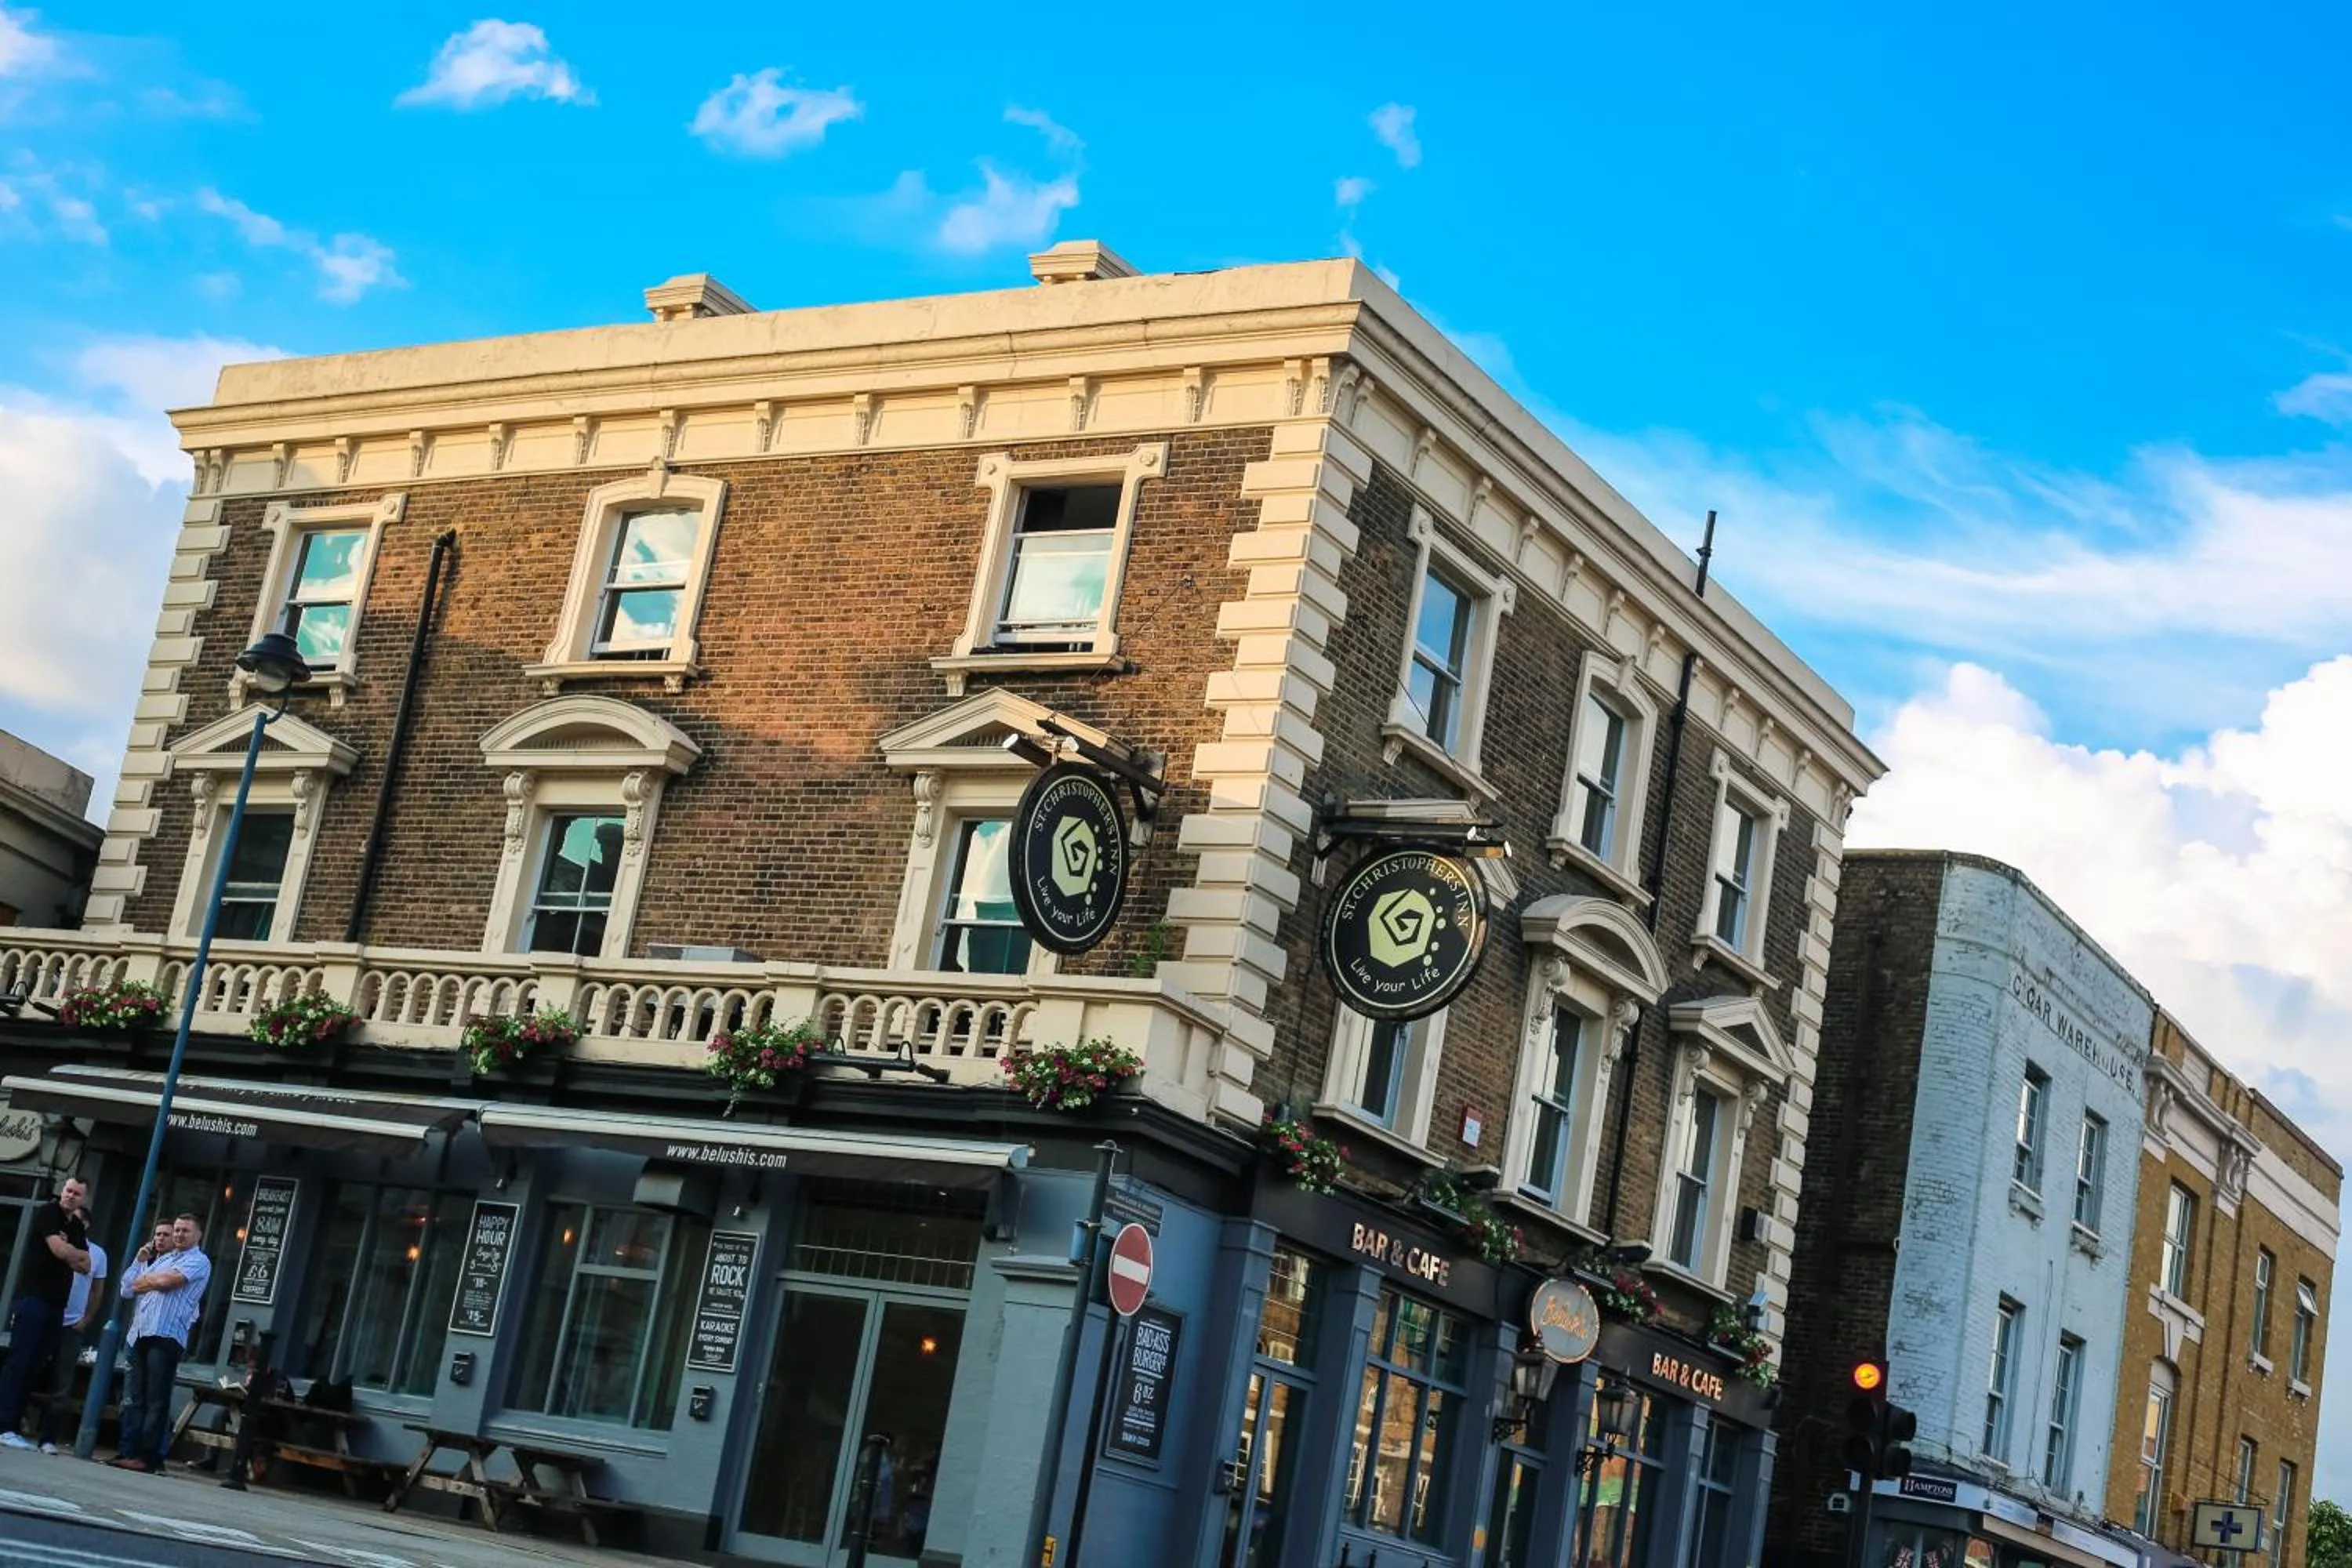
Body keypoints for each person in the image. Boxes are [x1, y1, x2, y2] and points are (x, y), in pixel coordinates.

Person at [110, 1213, 211, 1474]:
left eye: (184, 1231)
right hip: (142, 1333)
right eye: (176, 1230)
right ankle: (129, 1451)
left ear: (198, 1235)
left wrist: (151, 1282)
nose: (178, 1235)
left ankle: (148, 1457)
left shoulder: (198, 1261)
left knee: (157, 1399)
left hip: (166, 1336)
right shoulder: (165, 1259)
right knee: (135, 1397)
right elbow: (129, 1288)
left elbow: (168, 1283)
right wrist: (141, 1265)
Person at [0, 1177, 93, 1450]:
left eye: (77, 1194)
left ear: (84, 1200)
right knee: (20, 1362)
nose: (71, 1196)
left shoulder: (75, 1225)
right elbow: (57, 1248)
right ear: (62, 1191)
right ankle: (5, 1426)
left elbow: (86, 1264)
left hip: (56, 1305)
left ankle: (15, 1426)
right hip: (33, 1299)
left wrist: (69, 1250)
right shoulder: (47, 1212)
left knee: (36, 1366)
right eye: (68, 1190)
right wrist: (68, 1250)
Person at [34, 1212, 108, 1454]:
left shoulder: (96, 1254)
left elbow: (97, 1291)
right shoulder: (51, 1242)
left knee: (62, 1384)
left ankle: (48, 1438)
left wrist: (86, 1320)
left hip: (72, 1323)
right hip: (47, 1314)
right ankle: (14, 1425)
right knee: (29, 1369)